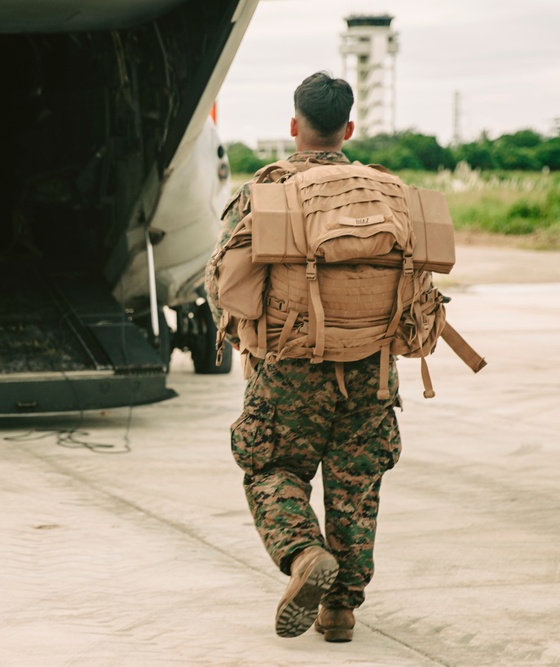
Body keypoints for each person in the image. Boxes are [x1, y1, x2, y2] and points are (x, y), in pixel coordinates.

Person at [205, 71, 399, 643]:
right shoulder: (387, 191)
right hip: (372, 368)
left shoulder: (266, 190)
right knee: (355, 486)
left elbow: (223, 280)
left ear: (295, 126)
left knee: (270, 468)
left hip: (288, 368)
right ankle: (340, 610)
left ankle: (302, 554)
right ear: (350, 127)